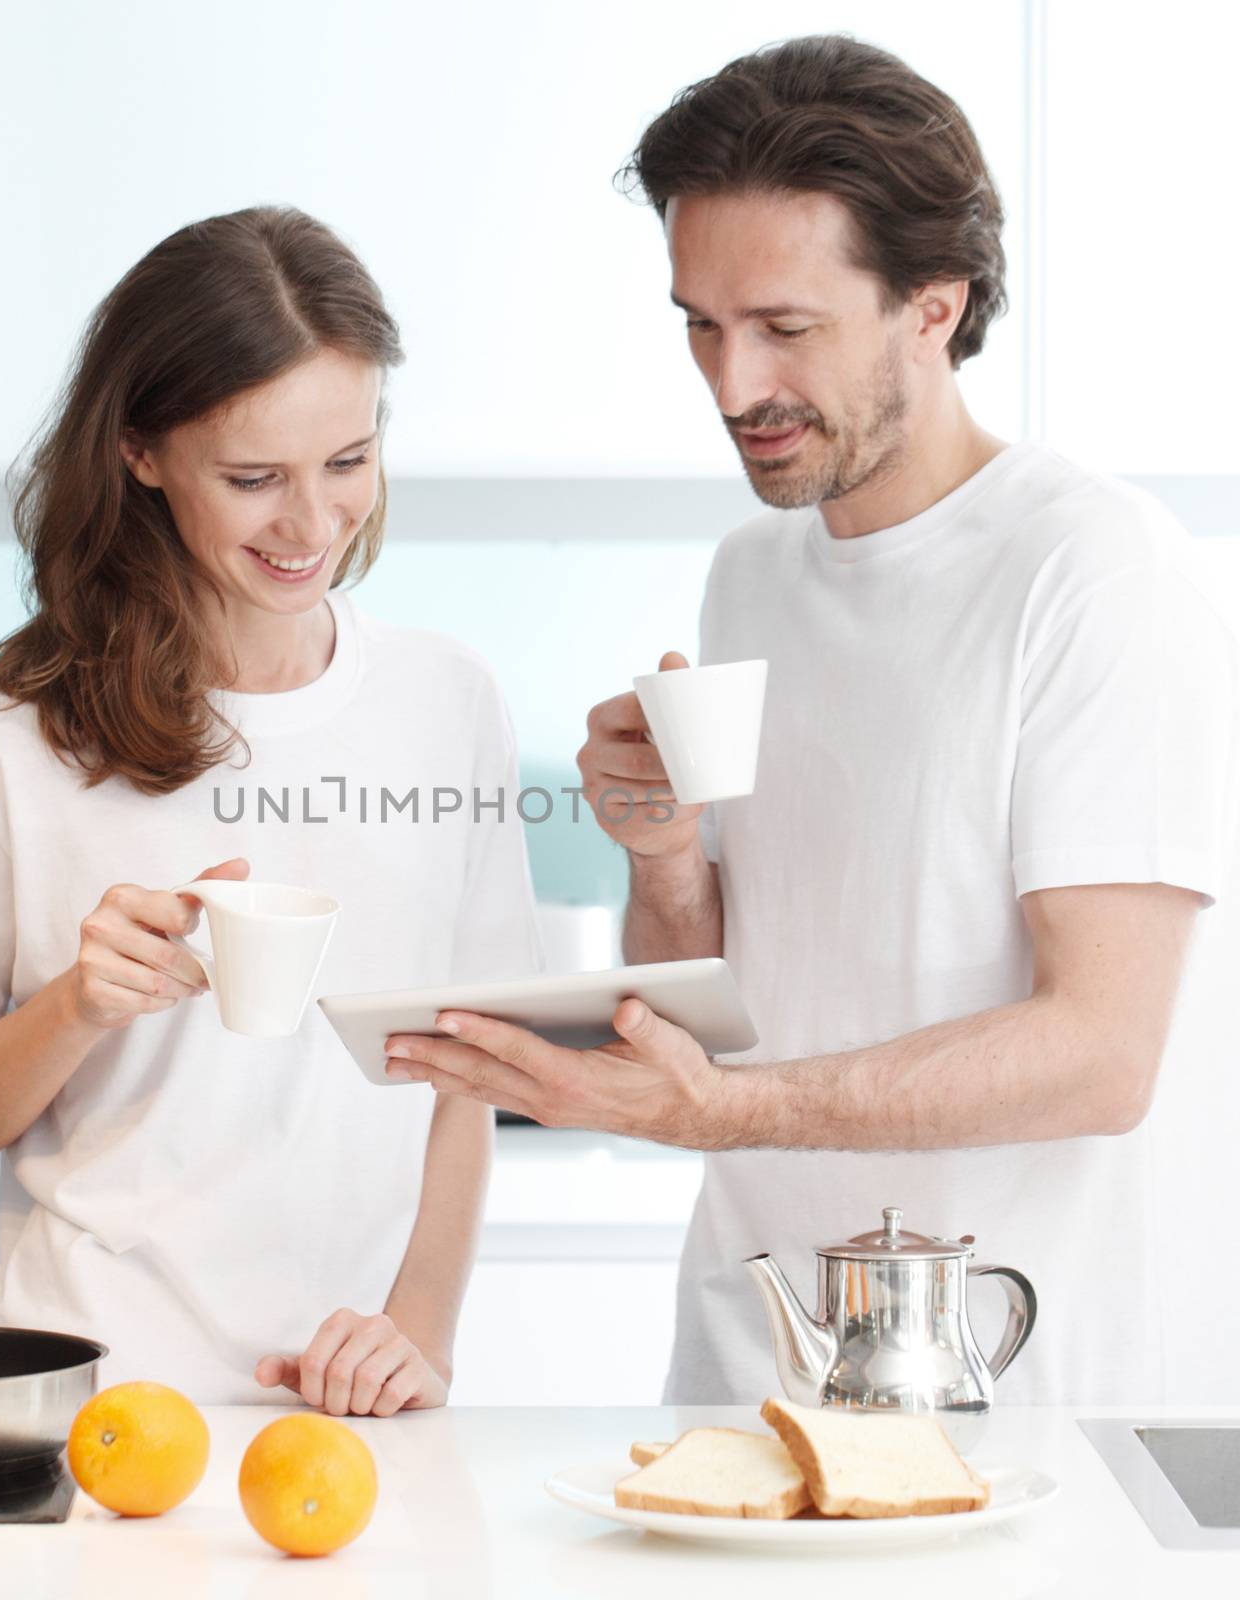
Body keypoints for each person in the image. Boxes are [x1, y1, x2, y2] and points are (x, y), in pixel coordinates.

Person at [382, 36, 1240, 1404]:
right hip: (752, 1362)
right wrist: (663, 853)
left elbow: (1101, 1051)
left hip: (1004, 1385)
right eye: (701, 326)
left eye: (785, 328)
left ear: (934, 307)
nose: (733, 390)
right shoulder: (754, 573)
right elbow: (724, 1006)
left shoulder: (1094, 576)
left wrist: (729, 1115)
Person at [0, 206, 542, 1414]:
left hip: (348, 1414)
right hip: (84, 1401)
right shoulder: (12, 731)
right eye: (252, 478)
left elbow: (468, 1073)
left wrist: (417, 1334)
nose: (311, 524)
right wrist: (80, 1005)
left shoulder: (449, 700)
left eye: (348, 460)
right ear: (140, 452)